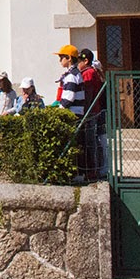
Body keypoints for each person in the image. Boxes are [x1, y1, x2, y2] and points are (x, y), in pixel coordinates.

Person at [53, 44, 87, 181]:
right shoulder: (75, 73)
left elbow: (69, 97)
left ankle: (77, 174)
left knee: (73, 144)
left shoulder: (71, 76)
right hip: (77, 112)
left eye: (61, 57)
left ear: (69, 58)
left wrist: (59, 110)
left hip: (73, 113)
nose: (59, 60)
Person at [78, 48, 107, 179]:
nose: (78, 64)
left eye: (79, 61)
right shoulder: (90, 72)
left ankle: (92, 170)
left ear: (86, 61)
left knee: (89, 142)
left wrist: (85, 111)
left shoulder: (88, 73)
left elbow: (88, 93)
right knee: (91, 141)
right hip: (93, 110)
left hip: (90, 112)